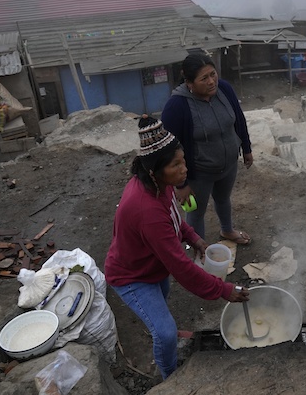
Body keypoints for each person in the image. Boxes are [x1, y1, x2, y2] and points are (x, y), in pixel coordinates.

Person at [105, 115, 249, 379]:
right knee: (166, 332)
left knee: (161, 306)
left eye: (183, 161)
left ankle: (157, 326)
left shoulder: (162, 185)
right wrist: (223, 289)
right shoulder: (145, 209)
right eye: (176, 165)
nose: (184, 170)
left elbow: (175, 218)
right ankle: (170, 379)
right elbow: (180, 267)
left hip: (152, 265)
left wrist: (194, 238)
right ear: (153, 170)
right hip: (131, 276)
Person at [161, 54, 253, 245]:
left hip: (228, 165)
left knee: (223, 199)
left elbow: (239, 119)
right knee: (196, 213)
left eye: (213, 74)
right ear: (189, 83)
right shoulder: (176, 106)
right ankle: (198, 252)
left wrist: (246, 147)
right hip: (199, 174)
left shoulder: (224, 89)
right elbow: (169, 149)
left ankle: (227, 230)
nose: (212, 81)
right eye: (204, 78)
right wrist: (181, 184)